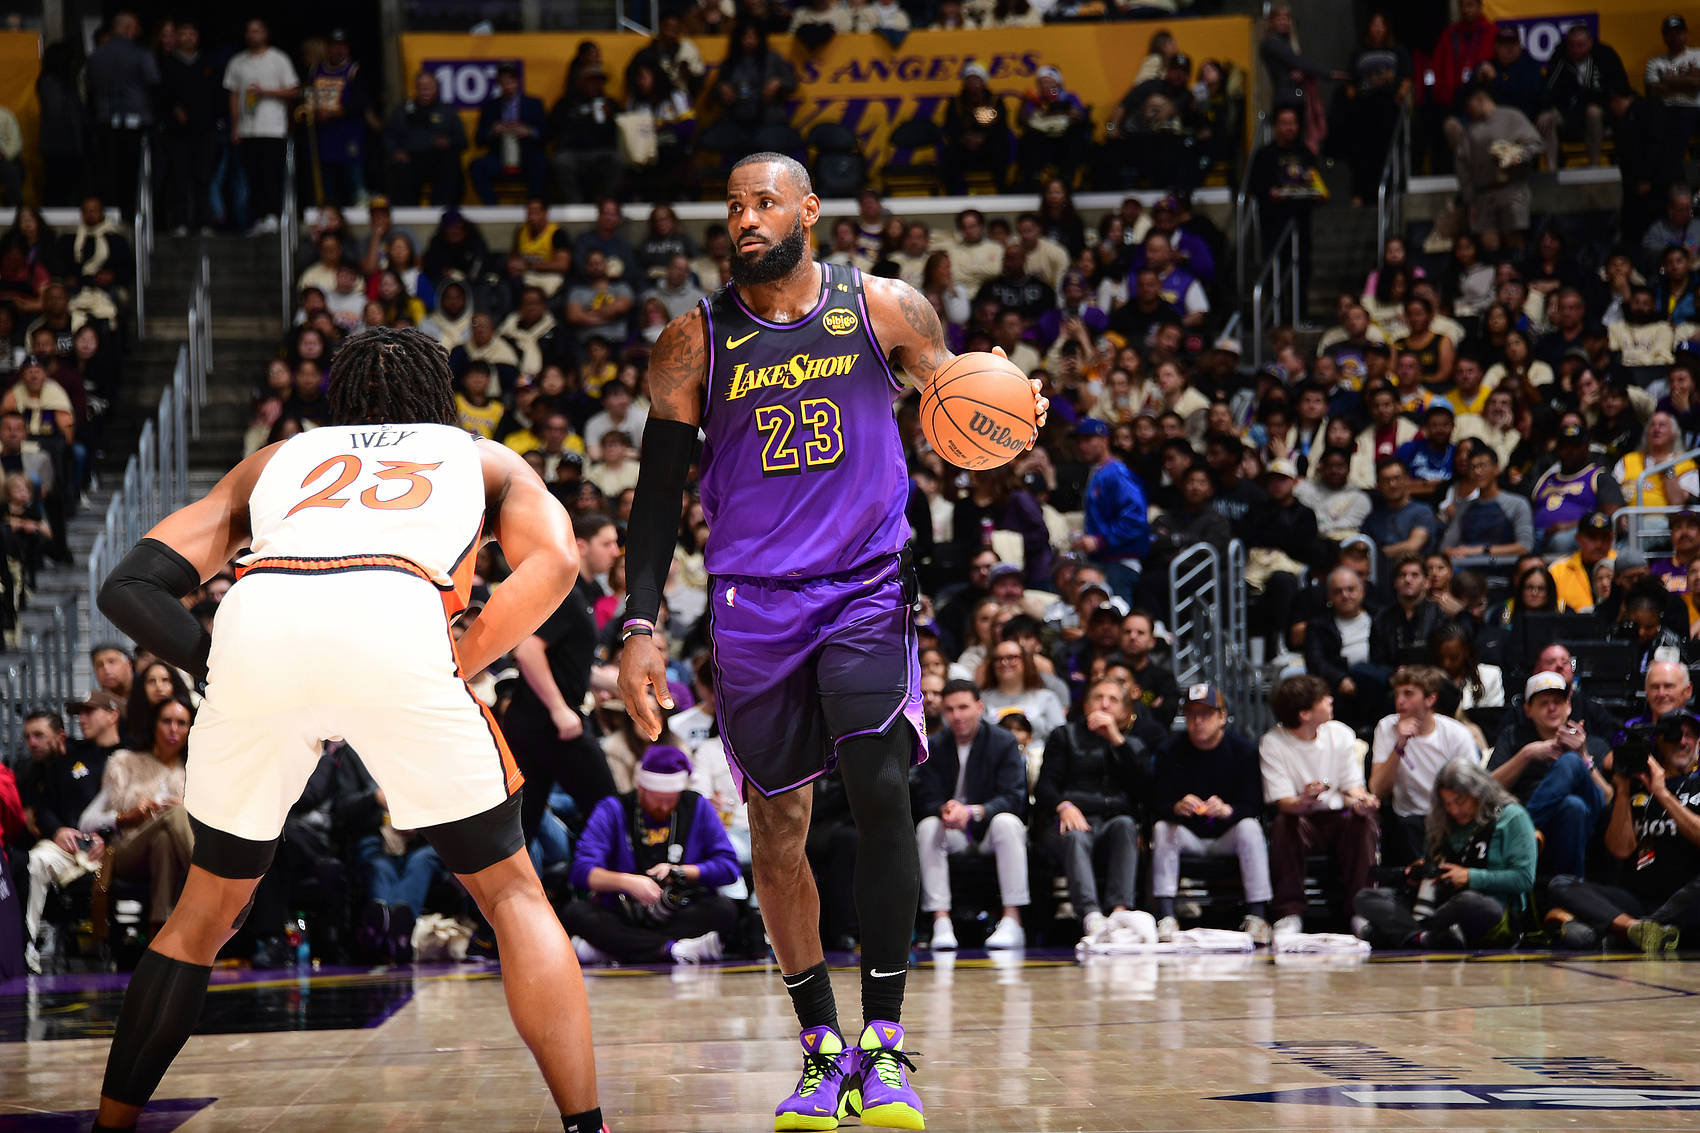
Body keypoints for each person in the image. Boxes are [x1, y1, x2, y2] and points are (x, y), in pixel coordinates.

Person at [618, 152, 1046, 1132]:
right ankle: (821, 1046)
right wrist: (640, 623)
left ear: (808, 210)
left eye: (764, 201)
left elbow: (961, 405)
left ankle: (883, 1040)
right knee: (777, 830)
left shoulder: (883, 306)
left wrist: (1010, 417)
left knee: (882, 784)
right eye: (733, 205)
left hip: (863, 586)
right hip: (753, 604)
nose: (746, 218)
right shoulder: (692, 342)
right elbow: (655, 499)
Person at [88, 327, 605, 1133]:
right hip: (397, 614)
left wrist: (215, 662)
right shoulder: (481, 457)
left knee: (202, 913)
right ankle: (585, 1126)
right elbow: (560, 560)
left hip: (261, 616)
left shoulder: (280, 457)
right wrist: (465, 654)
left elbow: (128, 584)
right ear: (440, 398)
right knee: (510, 892)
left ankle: (111, 1124)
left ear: (339, 399)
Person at [561, 745, 742, 965]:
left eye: (671, 799)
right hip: (623, 910)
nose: (664, 806)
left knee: (724, 910)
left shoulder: (696, 805)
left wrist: (680, 872)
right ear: (641, 787)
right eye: (657, 799)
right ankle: (673, 950)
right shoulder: (613, 808)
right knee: (576, 913)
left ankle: (616, 950)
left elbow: (729, 867)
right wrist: (627, 882)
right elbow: (581, 871)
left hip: (679, 908)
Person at [506, 512, 622, 841]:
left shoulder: (584, 594)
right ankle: (610, 875)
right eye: (607, 543)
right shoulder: (567, 592)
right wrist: (559, 709)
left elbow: (569, 664)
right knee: (609, 813)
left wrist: (619, 685)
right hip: (549, 723)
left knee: (521, 828)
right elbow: (528, 651)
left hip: (539, 723)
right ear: (581, 546)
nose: (615, 552)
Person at [1546, 709, 1700, 953]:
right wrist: (1623, 791)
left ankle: (1628, 930)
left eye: (1691, 735)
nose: (1683, 741)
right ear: (1658, 742)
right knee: (1560, 884)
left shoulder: (1696, 783)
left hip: (1687, 899)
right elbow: (1620, 849)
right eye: (1674, 735)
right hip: (1637, 900)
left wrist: (1662, 794)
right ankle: (1634, 929)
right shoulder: (1637, 787)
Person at [1354, 757, 1537, 948]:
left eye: (1460, 801)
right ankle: (1424, 937)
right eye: (1447, 803)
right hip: (1440, 905)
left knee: (1470, 902)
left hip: (1488, 908)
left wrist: (1469, 877)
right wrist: (1420, 874)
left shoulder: (1511, 817)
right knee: (1366, 897)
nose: (1454, 810)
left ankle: (1403, 933)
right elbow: (1432, 865)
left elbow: (1524, 879)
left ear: (1479, 793)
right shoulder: (1442, 821)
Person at [1260, 675, 1382, 935]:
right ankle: (1289, 912)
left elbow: (1351, 787)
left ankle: (1361, 911)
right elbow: (1283, 802)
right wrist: (1303, 800)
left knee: (1362, 820)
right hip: (1301, 817)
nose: (1330, 700)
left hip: (1338, 816)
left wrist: (1363, 801)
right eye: (1322, 699)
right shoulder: (1273, 743)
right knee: (1284, 824)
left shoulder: (1340, 733)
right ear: (1304, 713)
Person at [1151, 683, 1272, 943]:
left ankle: (1258, 915)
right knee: (1162, 828)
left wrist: (1229, 810)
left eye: (1206, 714)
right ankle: (1166, 914)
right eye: (1191, 714)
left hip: (1227, 834)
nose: (1198, 721)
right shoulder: (1169, 751)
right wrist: (1176, 807)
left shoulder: (1244, 750)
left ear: (1222, 716)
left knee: (1250, 827)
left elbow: (1255, 805)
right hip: (1189, 835)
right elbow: (1155, 804)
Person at [917, 679, 1030, 953]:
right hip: (953, 829)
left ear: (979, 707)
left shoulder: (1003, 742)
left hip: (989, 827)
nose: (957, 716)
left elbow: (1013, 797)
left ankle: (1013, 919)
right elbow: (925, 797)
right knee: (928, 827)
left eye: (963, 707)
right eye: (950, 709)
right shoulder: (935, 745)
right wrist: (944, 809)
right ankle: (940, 921)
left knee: (1008, 823)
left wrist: (973, 812)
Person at [1036, 676, 1147, 945]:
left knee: (1125, 824)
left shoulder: (1132, 745)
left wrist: (1116, 740)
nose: (1104, 704)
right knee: (1076, 835)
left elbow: (1145, 790)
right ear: (1086, 706)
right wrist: (1064, 806)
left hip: (1112, 822)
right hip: (1068, 821)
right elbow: (1045, 787)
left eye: (1113, 700)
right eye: (1098, 698)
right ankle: (1091, 916)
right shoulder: (1064, 736)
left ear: (1125, 711)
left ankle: (1120, 913)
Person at [20, 693, 123, 972]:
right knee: (35, 860)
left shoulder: (127, 756)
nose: (81, 719)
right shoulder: (64, 761)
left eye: (88, 712)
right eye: (79, 714)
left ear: (112, 715)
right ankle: (27, 945)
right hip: (69, 847)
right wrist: (57, 830)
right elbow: (43, 807)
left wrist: (107, 837)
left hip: (112, 849)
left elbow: (131, 811)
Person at [1489, 671, 1611, 879]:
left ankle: (1523, 830)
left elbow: (1607, 798)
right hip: (1555, 829)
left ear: (1569, 706)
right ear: (1528, 710)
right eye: (1543, 703)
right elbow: (1487, 790)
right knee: (1573, 806)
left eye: (1557, 701)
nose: (1552, 708)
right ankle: (1566, 889)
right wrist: (1526, 754)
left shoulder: (1593, 743)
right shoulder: (1513, 737)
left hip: (1589, 829)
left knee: (1571, 761)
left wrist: (1583, 757)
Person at [1369, 665, 1484, 865]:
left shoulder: (1456, 733)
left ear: (1430, 699)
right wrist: (1399, 746)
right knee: (1405, 828)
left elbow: (1474, 788)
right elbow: (1377, 789)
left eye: (1408, 694)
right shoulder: (1387, 727)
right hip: (1409, 820)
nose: (1399, 701)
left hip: (1450, 817)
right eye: (1397, 694)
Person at [222, 18, 298, 237]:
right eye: (250, 31)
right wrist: (235, 127)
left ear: (266, 33)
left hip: (273, 127)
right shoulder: (238, 62)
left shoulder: (279, 58)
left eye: (257, 31)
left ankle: (274, 216)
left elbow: (294, 90)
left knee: (271, 173)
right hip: (247, 129)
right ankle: (258, 217)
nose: (253, 35)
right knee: (251, 176)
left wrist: (266, 92)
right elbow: (233, 94)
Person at [1247, 104, 1323, 314]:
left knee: (1302, 268)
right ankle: (1275, 315)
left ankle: (1300, 314)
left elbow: (1315, 181)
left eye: (1293, 123)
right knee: (1275, 269)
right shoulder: (1264, 154)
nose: (1289, 128)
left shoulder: (1305, 153)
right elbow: (1255, 186)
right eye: (1284, 123)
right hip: (1273, 223)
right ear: (1276, 126)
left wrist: (1316, 193)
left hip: (1300, 222)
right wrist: (1270, 192)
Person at [1071, 417, 1149, 603]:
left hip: (1120, 562)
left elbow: (1135, 518)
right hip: (1102, 560)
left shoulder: (1116, 473)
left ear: (1104, 440)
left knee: (1116, 614)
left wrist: (1101, 540)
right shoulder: (1097, 472)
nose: (1082, 446)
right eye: (1079, 441)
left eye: (1088, 439)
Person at [384, 71, 467, 207]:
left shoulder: (447, 111)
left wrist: (448, 142)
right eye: (421, 87)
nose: (425, 90)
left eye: (429, 87)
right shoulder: (403, 110)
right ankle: (407, 212)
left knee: (451, 162)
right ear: (415, 89)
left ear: (437, 88)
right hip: (410, 159)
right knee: (398, 167)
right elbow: (389, 136)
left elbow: (462, 140)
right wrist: (396, 151)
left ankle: (442, 208)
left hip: (438, 159)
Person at [469, 63, 548, 204]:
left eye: (511, 82)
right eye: (504, 83)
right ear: (499, 84)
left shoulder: (534, 104)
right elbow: (479, 140)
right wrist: (493, 131)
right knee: (476, 166)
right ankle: (492, 207)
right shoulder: (490, 107)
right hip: (499, 158)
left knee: (541, 163)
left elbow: (546, 134)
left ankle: (533, 206)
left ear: (518, 82)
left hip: (527, 156)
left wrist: (529, 131)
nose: (508, 86)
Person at [1443, 444, 1532, 559]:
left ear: (1496, 469)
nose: (1477, 472)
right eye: (1472, 467)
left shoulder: (1517, 504)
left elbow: (1524, 547)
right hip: (1467, 567)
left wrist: (1480, 550)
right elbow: (1445, 547)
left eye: (1482, 466)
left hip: (1504, 567)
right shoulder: (1463, 507)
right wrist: (1454, 553)